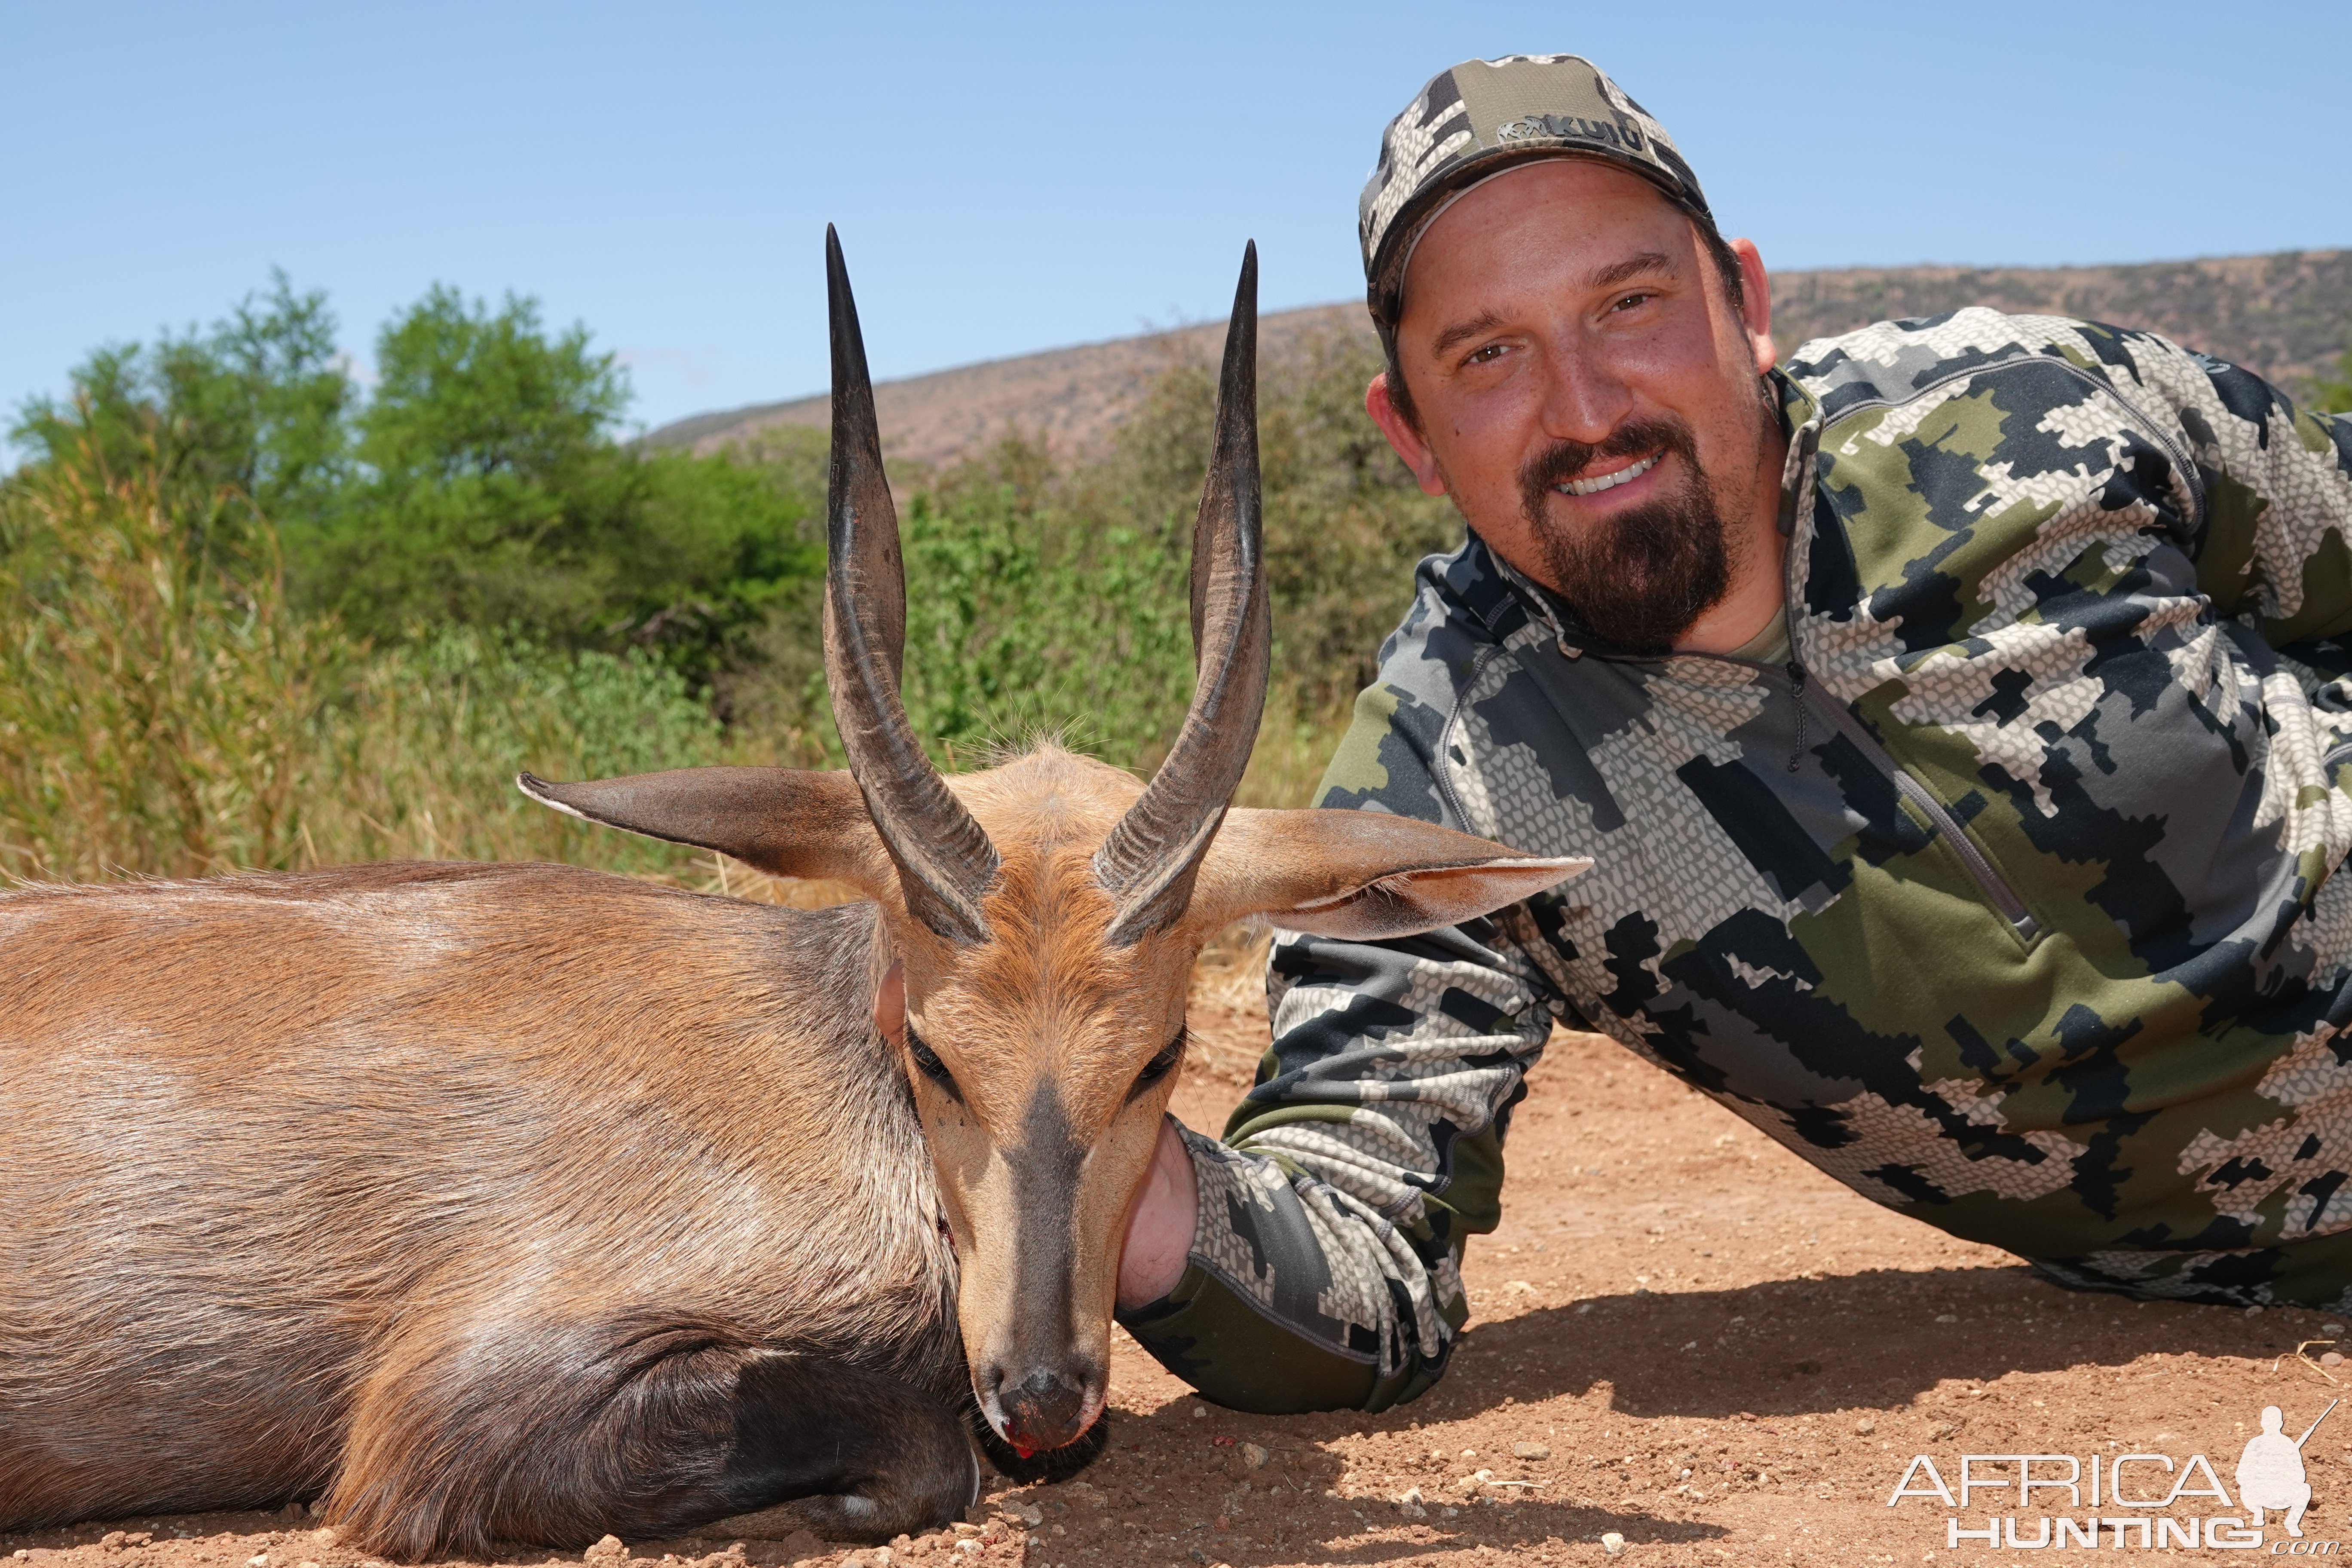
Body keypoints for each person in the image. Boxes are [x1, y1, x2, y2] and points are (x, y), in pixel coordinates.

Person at [1110, 51, 2352, 1416]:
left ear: (1745, 302)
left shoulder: (2039, 411)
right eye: (1489, 355)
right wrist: (1078, 1139)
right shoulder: (1446, 769)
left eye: (1629, 305)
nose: (1585, 409)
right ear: (1409, 433)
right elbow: (1356, 1261)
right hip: (2230, 1293)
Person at [2236, 1405, 2317, 1536]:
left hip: (2282, 1493)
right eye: (2268, 1422)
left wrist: (2282, 1476)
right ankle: (2258, 1513)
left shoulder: (2287, 1444)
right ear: (2263, 1424)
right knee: (2245, 1488)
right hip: (2258, 1493)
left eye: (2274, 1422)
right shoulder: (2255, 1444)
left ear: (2281, 1424)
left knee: (2305, 1489)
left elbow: (2300, 1475)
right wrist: (2259, 1478)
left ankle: (2292, 1523)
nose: (2271, 1425)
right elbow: (2242, 1472)